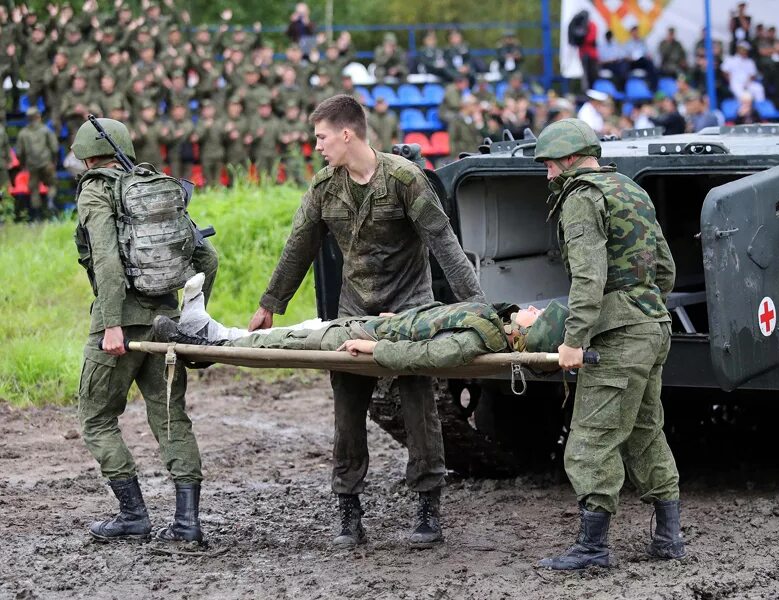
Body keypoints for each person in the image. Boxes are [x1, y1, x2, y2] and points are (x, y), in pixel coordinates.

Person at [246, 94, 485, 549]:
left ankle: (428, 507)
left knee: (418, 403)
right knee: (347, 409)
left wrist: (475, 304)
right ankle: (349, 511)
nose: (316, 146)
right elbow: (299, 246)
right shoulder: (324, 187)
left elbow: (443, 242)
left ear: (346, 134)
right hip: (355, 310)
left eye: (320, 138)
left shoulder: (404, 179)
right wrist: (270, 303)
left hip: (409, 309)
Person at [532, 118, 684, 570]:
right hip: (654, 327)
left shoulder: (582, 198)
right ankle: (669, 538)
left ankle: (593, 548)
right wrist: (645, 306)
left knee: (592, 439)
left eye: (549, 165)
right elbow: (666, 268)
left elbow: (588, 278)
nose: (547, 175)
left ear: (569, 159)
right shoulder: (632, 190)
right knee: (643, 430)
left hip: (617, 339)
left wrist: (574, 340)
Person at [70, 117, 219, 546]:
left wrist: (113, 324)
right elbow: (207, 261)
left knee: (97, 418)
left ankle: (133, 515)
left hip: (118, 326)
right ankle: (187, 522)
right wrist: (191, 315)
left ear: (87, 154)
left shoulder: (97, 190)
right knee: (171, 418)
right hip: (164, 326)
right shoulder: (154, 189)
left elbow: (107, 262)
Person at [153, 274, 569, 373]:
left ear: (527, 333)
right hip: (373, 325)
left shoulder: (482, 338)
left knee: (280, 341)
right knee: (291, 333)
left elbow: (428, 354)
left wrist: (374, 349)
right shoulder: (491, 322)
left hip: (363, 336)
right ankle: (206, 333)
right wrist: (402, 320)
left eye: (538, 315)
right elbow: (435, 322)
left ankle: (201, 342)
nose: (533, 308)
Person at [16, 107, 58, 220]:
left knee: (34, 190)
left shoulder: (23, 133)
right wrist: (54, 161)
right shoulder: (46, 130)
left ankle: (37, 216)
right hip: (46, 163)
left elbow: (19, 153)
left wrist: (23, 165)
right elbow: (54, 147)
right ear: (38, 116)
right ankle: (50, 202)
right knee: (52, 184)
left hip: (31, 166)